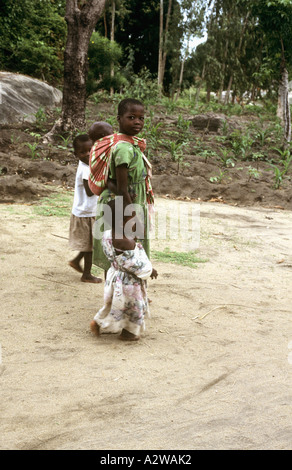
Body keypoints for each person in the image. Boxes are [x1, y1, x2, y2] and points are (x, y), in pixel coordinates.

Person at [92, 98, 154, 275]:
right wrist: (132, 215)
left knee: (123, 249)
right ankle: (121, 291)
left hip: (124, 202)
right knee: (121, 249)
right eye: (131, 117)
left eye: (141, 118)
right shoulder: (124, 148)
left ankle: (129, 292)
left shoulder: (130, 144)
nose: (137, 122)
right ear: (119, 118)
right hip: (122, 203)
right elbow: (122, 187)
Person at [90, 200, 158, 341]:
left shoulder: (108, 235)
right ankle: (130, 333)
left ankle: (98, 322)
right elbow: (134, 265)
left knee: (114, 305)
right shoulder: (125, 241)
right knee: (134, 308)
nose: (135, 220)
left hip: (115, 276)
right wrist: (150, 270)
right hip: (129, 283)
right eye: (132, 217)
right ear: (122, 221)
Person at [68, 133, 103, 283]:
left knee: (90, 243)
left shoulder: (88, 165)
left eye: (90, 150)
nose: (87, 154)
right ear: (76, 154)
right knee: (90, 246)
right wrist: (105, 184)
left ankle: (76, 261)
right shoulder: (86, 169)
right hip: (85, 213)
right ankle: (86, 274)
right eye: (83, 152)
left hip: (88, 211)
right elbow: (90, 191)